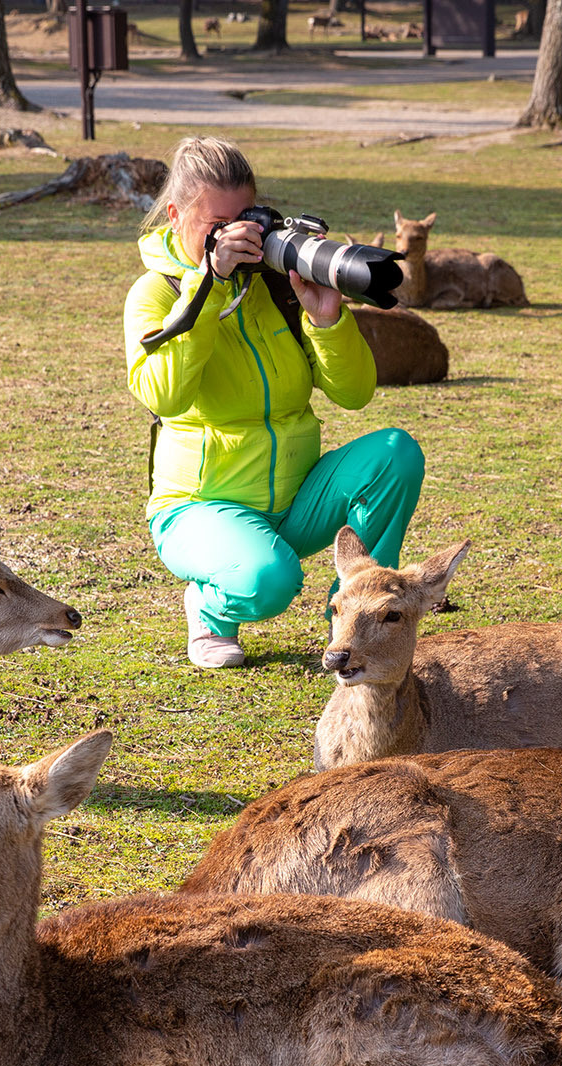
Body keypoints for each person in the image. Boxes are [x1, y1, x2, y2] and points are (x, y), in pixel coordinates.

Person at [124, 137, 424, 669]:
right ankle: (211, 608)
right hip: (200, 506)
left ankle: (355, 614)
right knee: (270, 578)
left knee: (395, 454)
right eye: (221, 225)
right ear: (176, 215)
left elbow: (354, 395)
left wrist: (327, 318)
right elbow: (163, 395)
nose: (240, 239)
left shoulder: (275, 288)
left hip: (293, 497)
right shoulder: (156, 293)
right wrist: (208, 287)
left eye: (249, 221)